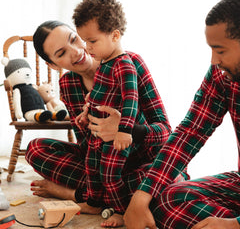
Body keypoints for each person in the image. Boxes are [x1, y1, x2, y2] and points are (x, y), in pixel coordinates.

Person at [26, 20, 179, 227]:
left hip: (145, 158)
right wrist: (87, 124)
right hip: (104, 164)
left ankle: (79, 196)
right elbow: (85, 145)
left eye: (74, 39)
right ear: (53, 64)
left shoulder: (130, 63)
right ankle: (115, 195)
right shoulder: (68, 84)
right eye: (61, 53)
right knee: (35, 149)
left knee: (173, 176)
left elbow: (166, 132)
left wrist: (128, 129)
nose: (76, 52)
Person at [123, 0, 240, 229]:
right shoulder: (222, 75)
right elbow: (190, 132)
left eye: (220, 50)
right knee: (167, 200)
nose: (214, 60)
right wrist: (142, 196)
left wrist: (234, 224)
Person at [72, 0, 179, 221]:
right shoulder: (104, 63)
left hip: (118, 137)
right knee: (93, 169)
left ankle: (121, 211)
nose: (87, 48)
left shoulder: (124, 64)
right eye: (84, 41)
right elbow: (100, 95)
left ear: (115, 35)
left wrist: (125, 130)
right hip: (97, 135)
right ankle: (93, 202)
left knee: (110, 174)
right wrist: (86, 111)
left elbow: (131, 99)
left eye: (92, 41)